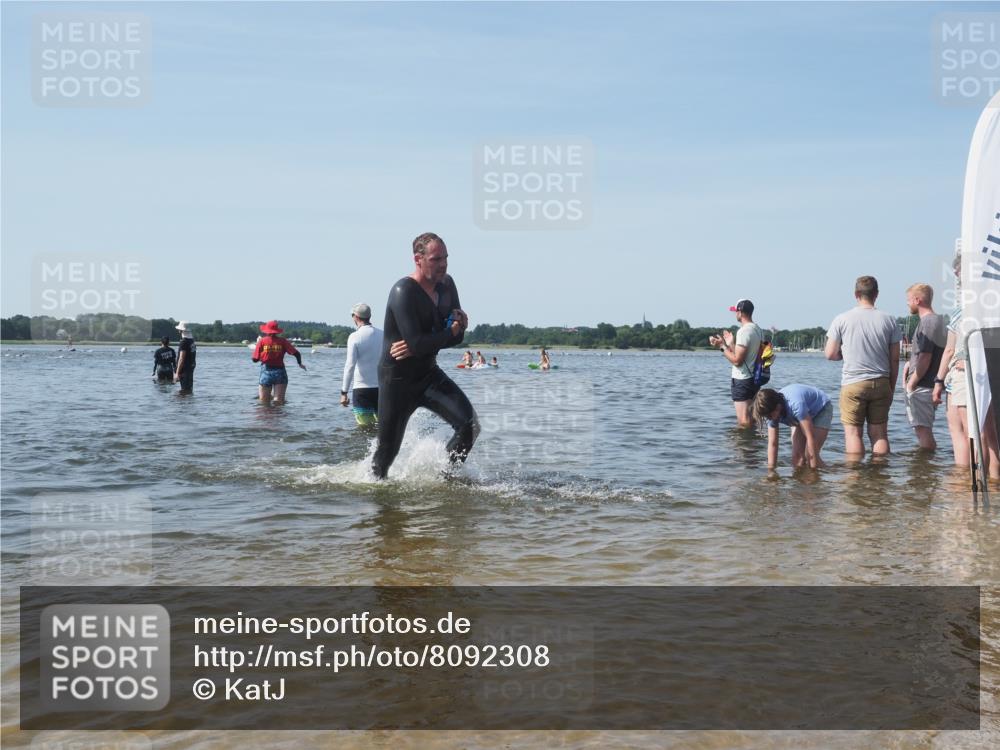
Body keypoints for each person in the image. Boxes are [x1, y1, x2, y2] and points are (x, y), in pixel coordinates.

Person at [372, 232, 479, 479]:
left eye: (445, 258)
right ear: (418, 259)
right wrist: (443, 333)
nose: (443, 264)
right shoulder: (403, 291)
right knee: (386, 455)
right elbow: (420, 341)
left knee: (469, 426)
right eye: (436, 259)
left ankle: (445, 477)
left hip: (429, 374)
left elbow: (456, 337)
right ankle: (377, 501)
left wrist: (447, 333)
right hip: (396, 380)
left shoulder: (448, 285)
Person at [932, 253, 1000, 475]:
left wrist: (939, 379)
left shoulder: (967, 309)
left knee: (973, 430)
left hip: (968, 373)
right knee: (990, 432)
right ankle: (992, 480)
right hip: (988, 371)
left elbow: (950, 349)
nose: (957, 277)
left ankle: (973, 482)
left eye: (959, 272)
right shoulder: (990, 305)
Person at [825, 276, 901, 457]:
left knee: (853, 434)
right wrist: (891, 386)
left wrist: (844, 354)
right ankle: (879, 476)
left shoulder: (842, 319)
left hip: (853, 383)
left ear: (856, 294)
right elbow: (895, 359)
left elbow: (830, 353)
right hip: (881, 382)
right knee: (880, 434)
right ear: (876, 294)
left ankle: (855, 480)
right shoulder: (890, 320)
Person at [902, 283, 947, 450]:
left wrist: (911, 383)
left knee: (922, 430)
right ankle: (927, 469)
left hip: (922, 385)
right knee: (924, 429)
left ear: (917, 300)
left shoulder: (927, 323)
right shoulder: (939, 320)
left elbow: (925, 357)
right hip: (930, 384)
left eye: (908, 300)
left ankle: (924, 470)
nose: (907, 303)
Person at [709, 299, 763, 427]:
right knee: (752, 418)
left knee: (744, 421)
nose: (735, 314)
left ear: (740, 312)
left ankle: (744, 446)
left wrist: (722, 346)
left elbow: (737, 361)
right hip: (754, 378)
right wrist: (731, 344)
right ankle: (753, 444)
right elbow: (745, 356)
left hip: (742, 380)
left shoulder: (744, 331)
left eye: (735, 311)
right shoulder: (758, 330)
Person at [752, 385, 833, 469]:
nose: (770, 418)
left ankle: (833, 472)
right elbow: (773, 444)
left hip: (821, 408)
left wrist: (813, 472)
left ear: (778, 406)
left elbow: (810, 437)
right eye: (767, 417)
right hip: (801, 414)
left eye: (770, 415)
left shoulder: (796, 405)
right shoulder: (770, 412)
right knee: (797, 459)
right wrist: (771, 471)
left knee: (810, 457)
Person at [340, 303, 384, 426]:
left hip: (362, 390)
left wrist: (344, 392)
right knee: (381, 428)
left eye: (352, 315)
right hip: (382, 389)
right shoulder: (383, 334)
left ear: (356, 317)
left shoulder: (354, 337)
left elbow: (350, 366)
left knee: (364, 429)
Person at [252, 320, 306, 404]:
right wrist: (300, 364)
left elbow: (254, 359)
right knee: (278, 402)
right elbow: (297, 353)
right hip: (280, 372)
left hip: (266, 372)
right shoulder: (283, 341)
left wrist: (263, 356)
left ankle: (268, 415)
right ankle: (278, 415)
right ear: (276, 331)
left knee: (263, 402)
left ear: (266, 331)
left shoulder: (262, 341)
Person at [173, 321, 197, 394]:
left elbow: (181, 358)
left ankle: (184, 405)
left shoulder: (184, 342)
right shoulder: (192, 341)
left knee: (184, 391)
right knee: (189, 390)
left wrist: (177, 373)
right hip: (191, 368)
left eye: (179, 329)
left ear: (181, 330)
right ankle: (188, 404)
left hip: (184, 370)